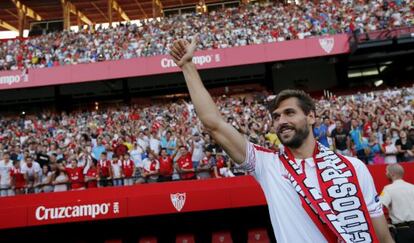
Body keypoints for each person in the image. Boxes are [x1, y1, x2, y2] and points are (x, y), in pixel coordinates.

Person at [169, 35, 394, 243]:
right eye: (276, 117)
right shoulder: (267, 164)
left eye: (289, 113)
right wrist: (188, 66)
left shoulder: (353, 167)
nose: (281, 121)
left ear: (311, 117)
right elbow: (213, 123)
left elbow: (382, 236)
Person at [380, 164, 414, 243]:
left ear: (392, 174)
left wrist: (385, 225)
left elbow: (379, 207)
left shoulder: (388, 189)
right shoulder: (412, 187)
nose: (386, 174)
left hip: (403, 231)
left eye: (386, 172)